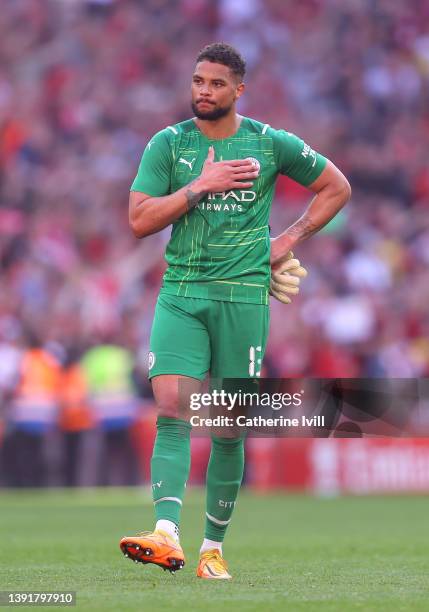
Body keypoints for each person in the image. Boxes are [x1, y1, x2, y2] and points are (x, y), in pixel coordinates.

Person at [120, 42, 351, 579]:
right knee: (174, 407)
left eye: (216, 83)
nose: (204, 90)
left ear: (238, 89)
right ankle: (165, 533)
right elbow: (138, 220)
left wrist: (285, 240)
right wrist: (199, 185)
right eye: (198, 81)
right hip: (182, 291)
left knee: (227, 427)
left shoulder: (268, 143)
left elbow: (335, 187)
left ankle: (211, 551)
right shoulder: (169, 143)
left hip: (244, 298)